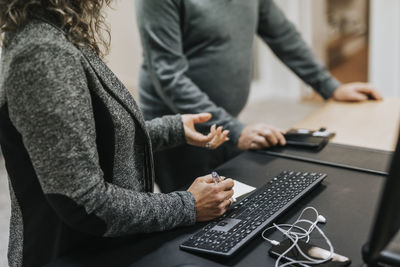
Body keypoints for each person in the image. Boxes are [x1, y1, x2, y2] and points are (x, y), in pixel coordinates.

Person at [0, 1, 234, 266]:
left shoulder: (56, 34)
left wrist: (173, 129)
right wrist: (188, 205)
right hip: (71, 254)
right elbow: (85, 202)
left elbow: (93, 138)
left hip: (102, 245)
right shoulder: (42, 52)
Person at [135, 0, 383, 193]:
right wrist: (235, 130)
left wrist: (330, 87)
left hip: (226, 120)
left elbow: (283, 35)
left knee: (236, 201)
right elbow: (168, 75)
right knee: (196, 220)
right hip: (179, 127)